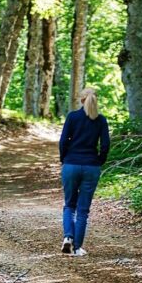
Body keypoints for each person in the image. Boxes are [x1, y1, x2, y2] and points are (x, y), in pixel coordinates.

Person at [58, 88, 110, 256]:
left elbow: (63, 141)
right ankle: (77, 248)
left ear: (81, 100)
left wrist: (64, 159)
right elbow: (105, 145)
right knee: (83, 210)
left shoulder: (72, 117)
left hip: (71, 165)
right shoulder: (101, 120)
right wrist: (99, 161)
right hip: (91, 166)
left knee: (69, 205)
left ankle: (68, 237)